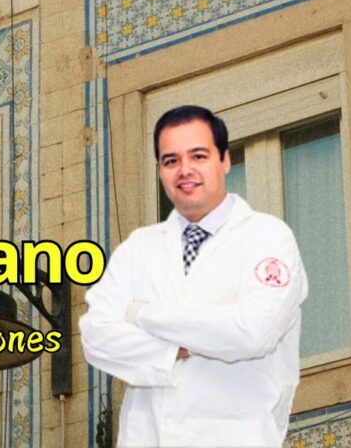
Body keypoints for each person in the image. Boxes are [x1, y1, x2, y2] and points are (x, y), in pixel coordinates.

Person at [80, 105, 308, 447]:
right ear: (160, 170)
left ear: (224, 160)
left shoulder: (267, 237)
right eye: (171, 161)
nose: (185, 170)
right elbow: (96, 336)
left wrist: (142, 315)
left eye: (198, 156)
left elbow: (253, 332)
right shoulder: (138, 248)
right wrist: (176, 348)